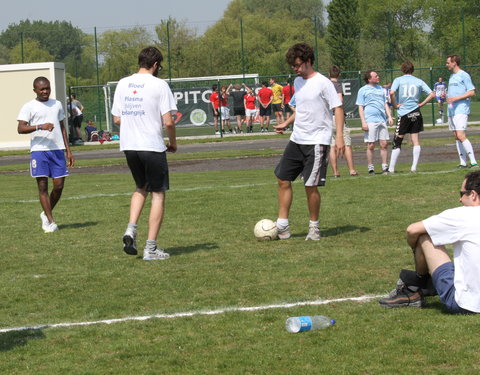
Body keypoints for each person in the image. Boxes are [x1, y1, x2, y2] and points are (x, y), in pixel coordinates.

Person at [379, 170, 480, 314]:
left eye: (461, 193)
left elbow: (412, 230)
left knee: (425, 235)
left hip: (466, 304)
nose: (460, 200)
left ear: (473, 195)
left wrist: (418, 253)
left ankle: (415, 287)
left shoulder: (463, 214)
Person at [273, 43, 344, 241]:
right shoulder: (297, 82)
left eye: (298, 65)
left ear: (308, 61)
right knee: (282, 179)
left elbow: (337, 108)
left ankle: (314, 228)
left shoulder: (323, 82)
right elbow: (301, 109)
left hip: (317, 141)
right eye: (293, 66)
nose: (295, 69)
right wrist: (286, 123)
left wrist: (338, 137)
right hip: (297, 139)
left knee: (310, 185)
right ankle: (283, 226)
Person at [112, 46, 177, 261]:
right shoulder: (159, 85)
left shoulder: (123, 83)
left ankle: (130, 229)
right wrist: (173, 142)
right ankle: (151, 248)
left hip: (129, 145)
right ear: (156, 64)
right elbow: (168, 121)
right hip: (151, 145)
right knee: (158, 193)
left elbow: (117, 119)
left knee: (141, 187)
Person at [17, 76, 74, 233]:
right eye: (42, 89)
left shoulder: (57, 104)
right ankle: (51, 220)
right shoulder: (29, 106)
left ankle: (45, 213)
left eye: (47, 88)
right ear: (35, 90)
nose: (45, 91)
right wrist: (40, 126)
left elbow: (62, 127)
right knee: (42, 186)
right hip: (39, 151)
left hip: (57, 150)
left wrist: (68, 150)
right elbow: (21, 128)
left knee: (59, 186)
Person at [387, 61, 436, 174]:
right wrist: (421, 104)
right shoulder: (418, 81)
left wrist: (394, 105)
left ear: (402, 70)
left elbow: (392, 92)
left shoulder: (398, 80)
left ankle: (391, 168)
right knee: (416, 141)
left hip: (404, 113)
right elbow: (432, 94)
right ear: (412, 70)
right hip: (416, 112)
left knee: (397, 140)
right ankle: (413, 167)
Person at [356, 70, 394, 174]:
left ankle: (385, 167)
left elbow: (385, 104)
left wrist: (389, 116)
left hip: (381, 120)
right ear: (369, 79)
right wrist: (363, 122)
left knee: (384, 143)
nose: (378, 77)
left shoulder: (381, 89)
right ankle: (370, 167)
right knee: (371, 145)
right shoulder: (363, 90)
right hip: (370, 120)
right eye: (375, 76)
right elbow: (360, 107)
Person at [445, 54, 478, 168]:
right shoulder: (451, 76)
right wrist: (447, 96)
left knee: (461, 135)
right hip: (451, 110)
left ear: (454, 63)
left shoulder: (464, 75)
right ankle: (462, 163)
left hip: (461, 109)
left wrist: (456, 98)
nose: (447, 65)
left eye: (448, 63)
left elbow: (472, 92)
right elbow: (453, 94)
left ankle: (473, 162)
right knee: (456, 136)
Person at [328, 65, 359, 178]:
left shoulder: (326, 85)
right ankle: (351, 170)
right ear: (339, 75)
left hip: (327, 118)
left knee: (331, 146)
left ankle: (335, 172)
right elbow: (339, 99)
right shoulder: (337, 85)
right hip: (337, 117)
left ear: (329, 74)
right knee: (347, 144)